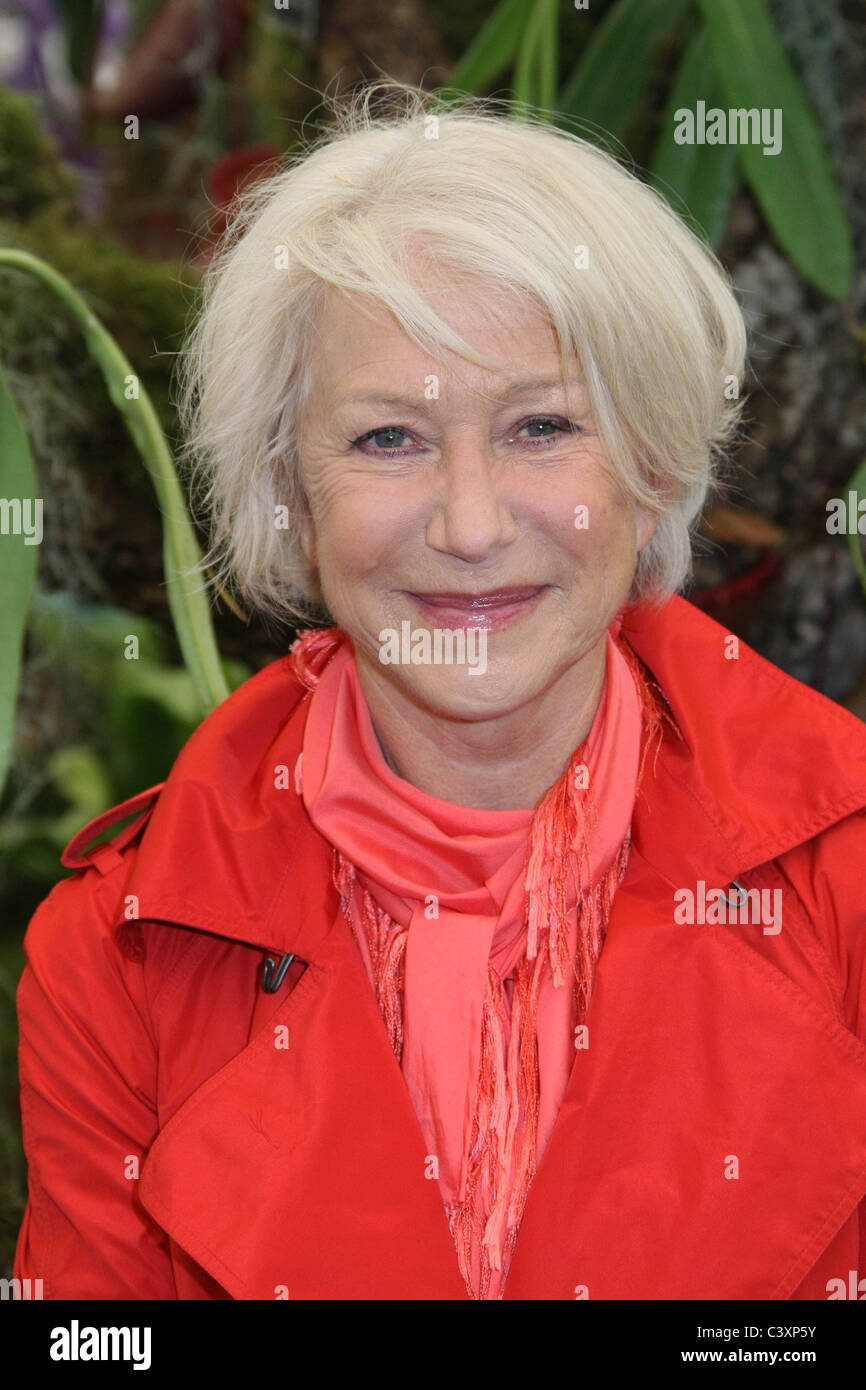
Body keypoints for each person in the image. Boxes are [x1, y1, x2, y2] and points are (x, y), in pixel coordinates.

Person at [14, 81, 866, 1302]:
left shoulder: (839, 880)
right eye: (386, 440)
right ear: (285, 500)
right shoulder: (120, 956)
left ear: (652, 469)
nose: (469, 525)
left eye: (538, 427)